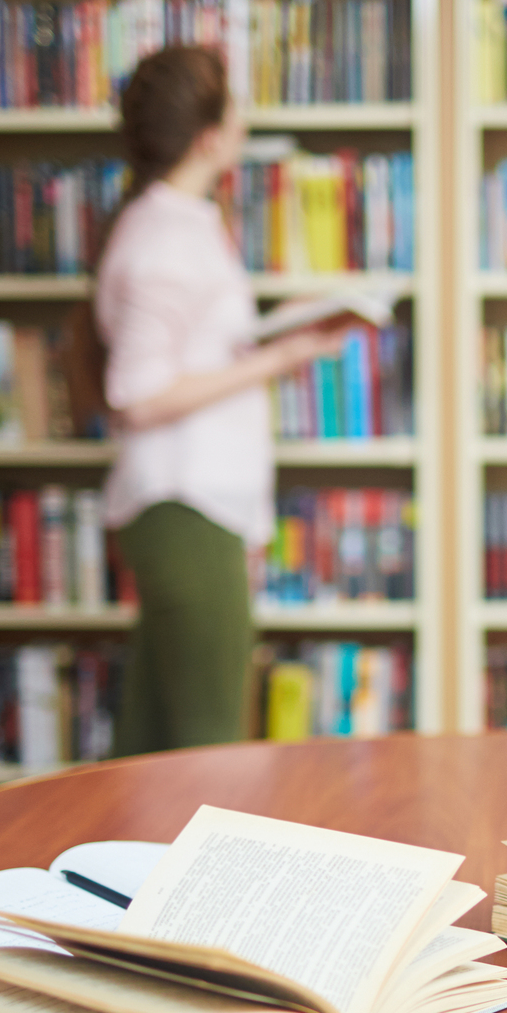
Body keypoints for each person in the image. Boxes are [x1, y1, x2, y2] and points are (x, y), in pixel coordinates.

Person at [92, 46, 346, 755]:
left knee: (151, 744)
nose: (244, 117)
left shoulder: (178, 222)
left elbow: (188, 348)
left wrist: (274, 328)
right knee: (209, 749)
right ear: (209, 136)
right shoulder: (165, 238)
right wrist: (279, 357)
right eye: (234, 105)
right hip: (185, 508)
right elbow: (138, 395)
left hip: (190, 509)